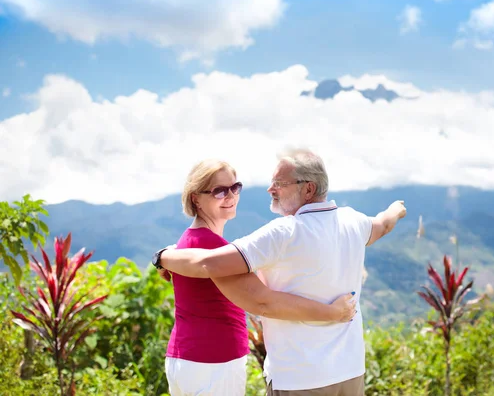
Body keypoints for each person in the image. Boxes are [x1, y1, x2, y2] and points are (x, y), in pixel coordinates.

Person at [153, 149, 407, 395]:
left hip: (293, 376)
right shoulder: (353, 220)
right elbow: (382, 225)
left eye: (279, 183)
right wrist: (395, 210)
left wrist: (163, 255)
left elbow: (226, 275)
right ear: (196, 197)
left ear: (308, 188)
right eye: (220, 190)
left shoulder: (281, 233)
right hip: (347, 371)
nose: (270, 189)